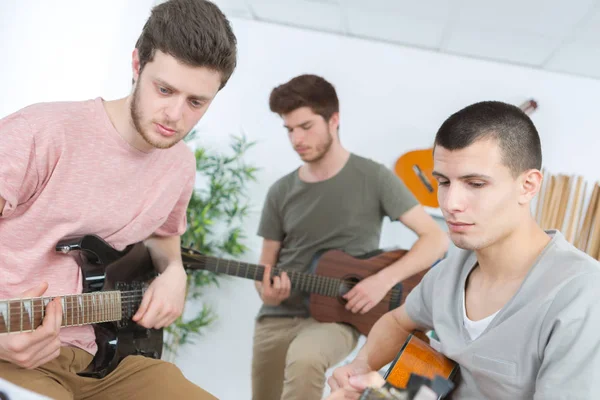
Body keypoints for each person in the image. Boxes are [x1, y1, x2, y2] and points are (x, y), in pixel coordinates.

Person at [0, 0, 237, 399]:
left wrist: (174, 272)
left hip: (102, 360)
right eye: (164, 89)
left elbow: (164, 235)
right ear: (136, 65)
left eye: (196, 102)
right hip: (13, 349)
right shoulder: (39, 133)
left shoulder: (179, 165)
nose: (175, 115)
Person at [328, 101, 600, 399]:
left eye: (475, 183)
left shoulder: (582, 294)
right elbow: (397, 321)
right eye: (443, 182)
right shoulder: (450, 271)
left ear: (528, 185)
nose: (450, 203)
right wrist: (359, 368)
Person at [252, 74, 449, 400]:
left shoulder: (374, 177)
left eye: (305, 126)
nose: (296, 139)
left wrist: (382, 280)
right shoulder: (280, 191)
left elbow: (435, 238)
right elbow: (265, 268)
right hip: (277, 316)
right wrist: (268, 292)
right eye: (289, 130)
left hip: (337, 316)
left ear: (334, 120)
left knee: (306, 361)